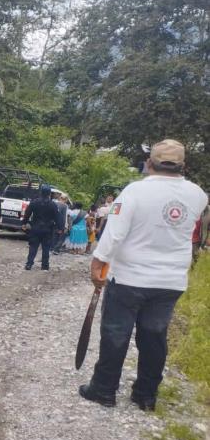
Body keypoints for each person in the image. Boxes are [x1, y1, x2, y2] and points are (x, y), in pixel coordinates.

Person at [79, 139, 208, 410]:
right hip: (170, 281)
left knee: (116, 334)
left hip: (129, 278)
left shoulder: (135, 191)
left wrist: (97, 264)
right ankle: (146, 396)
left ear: (149, 162)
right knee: (154, 336)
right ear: (183, 165)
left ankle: (104, 389)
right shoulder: (198, 194)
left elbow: (114, 233)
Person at [22, 183, 60, 270]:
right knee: (46, 248)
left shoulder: (34, 202)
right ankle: (45, 265)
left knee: (33, 246)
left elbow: (27, 214)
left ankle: (29, 264)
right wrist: (59, 228)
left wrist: (24, 223)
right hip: (48, 229)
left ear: (41, 192)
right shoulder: (53, 205)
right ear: (49, 194)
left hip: (35, 227)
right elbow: (57, 217)